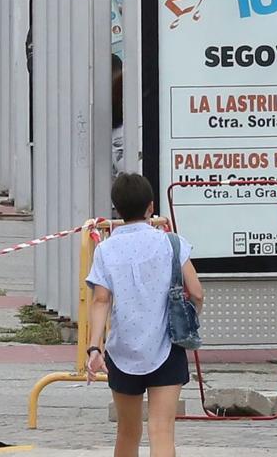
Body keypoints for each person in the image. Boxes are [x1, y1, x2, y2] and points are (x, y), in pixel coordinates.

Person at [86, 172, 203, 457]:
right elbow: (197, 292)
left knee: (127, 431)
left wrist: (94, 348)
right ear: (151, 207)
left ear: (117, 209)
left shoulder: (105, 249)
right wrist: (191, 319)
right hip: (166, 347)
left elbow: (101, 300)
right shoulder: (172, 243)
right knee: (161, 430)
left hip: (123, 350)